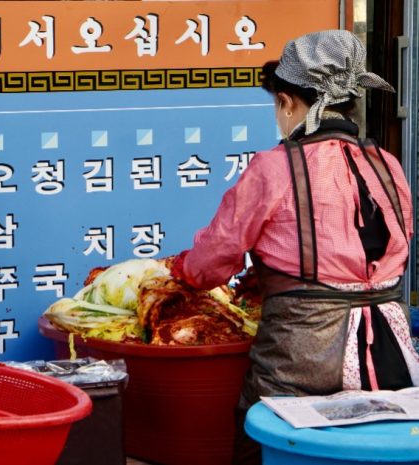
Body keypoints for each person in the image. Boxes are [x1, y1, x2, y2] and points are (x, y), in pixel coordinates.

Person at [170, 29, 419, 465]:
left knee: (264, 437)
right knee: (374, 452)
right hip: (390, 347)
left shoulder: (274, 167)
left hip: (303, 350)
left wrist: (181, 270)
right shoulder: (387, 163)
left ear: (286, 101)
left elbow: (211, 262)